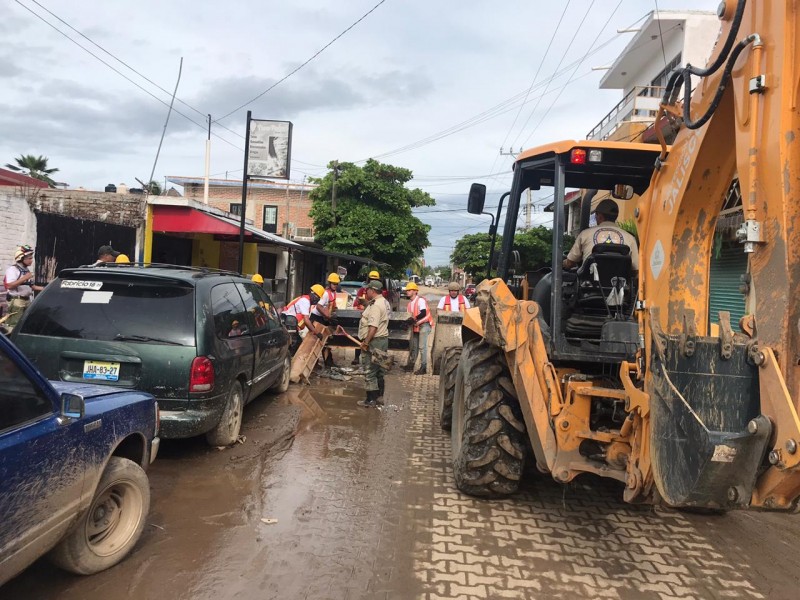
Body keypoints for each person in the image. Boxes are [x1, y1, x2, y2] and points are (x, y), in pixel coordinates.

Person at [563, 198, 639, 271]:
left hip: (589, 283)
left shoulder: (585, 234)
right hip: (620, 283)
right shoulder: (630, 238)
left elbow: (570, 263)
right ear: (615, 216)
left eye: (595, 215)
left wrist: (563, 264)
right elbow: (636, 269)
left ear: (599, 216)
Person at [357, 280, 390, 408]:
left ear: (373, 291)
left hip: (374, 340)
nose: (366, 291)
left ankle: (370, 400)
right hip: (382, 340)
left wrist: (366, 342)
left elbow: (373, 327)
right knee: (380, 370)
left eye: (368, 289)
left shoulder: (376, 306)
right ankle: (379, 397)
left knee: (369, 370)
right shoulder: (384, 302)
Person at [4, 245, 43, 330]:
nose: (31, 260)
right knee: (14, 326)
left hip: (27, 300)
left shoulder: (26, 270)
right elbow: (9, 286)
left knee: (26, 325)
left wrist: (45, 289)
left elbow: (32, 286)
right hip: (17, 301)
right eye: (29, 258)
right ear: (21, 258)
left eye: (31, 258)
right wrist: (25, 278)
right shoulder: (13, 270)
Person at [352, 270, 383, 364]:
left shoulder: (381, 293)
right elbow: (356, 304)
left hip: (374, 317)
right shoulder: (362, 290)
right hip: (364, 318)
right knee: (360, 336)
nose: (372, 281)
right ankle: (357, 357)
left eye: (375, 280)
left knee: (372, 337)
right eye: (371, 279)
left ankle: (374, 360)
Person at [281, 285, 322, 353]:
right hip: (289, 321)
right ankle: (291, 360)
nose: (317, 300)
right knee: (294, 343)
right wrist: (316, 332)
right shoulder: (305, 301)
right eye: (317, 297)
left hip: (290, 321)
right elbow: (306, 320)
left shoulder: (305, 300)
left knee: (297, 342)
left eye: (319, 298)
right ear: (312, 293)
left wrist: (312, 329)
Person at [403, 282, 432, 375]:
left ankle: (423, 367)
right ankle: (411, 365)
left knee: (422, 347)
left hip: (424, 324)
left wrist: (413, 319)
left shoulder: (420, 300)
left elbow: (423, 313)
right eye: (407, 290)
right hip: (416, 326)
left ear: (415, 291)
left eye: (409, 290)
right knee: (414, 346)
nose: (407, 292)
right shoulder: (409, 304)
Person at [310, 277, 339, 367]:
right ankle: (314, 363)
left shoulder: (334, 294)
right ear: (329, 283)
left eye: (336, 284)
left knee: (326, 340)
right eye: (333, 283)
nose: (335, 285)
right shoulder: (326, 293)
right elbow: (319, 307)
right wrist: (327, 316)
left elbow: (332, 306)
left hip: (324, 318)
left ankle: (328, 362)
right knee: (315, 340)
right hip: (316, 317)